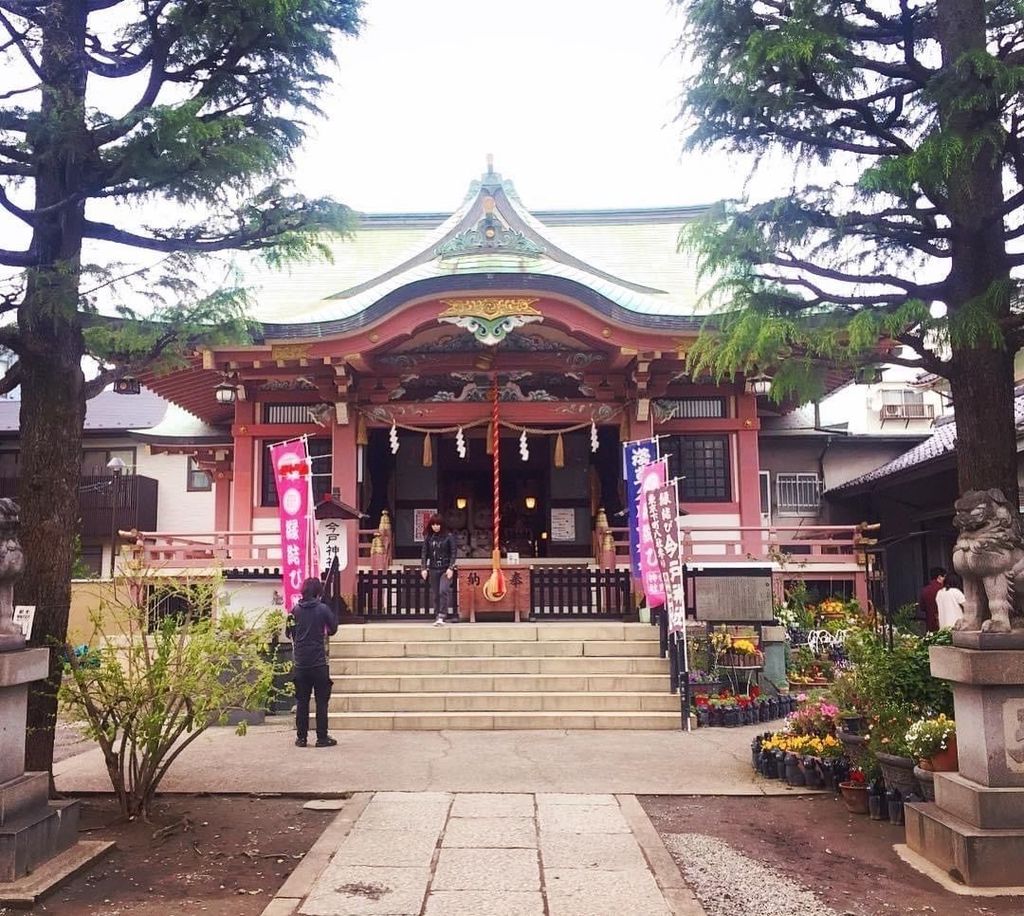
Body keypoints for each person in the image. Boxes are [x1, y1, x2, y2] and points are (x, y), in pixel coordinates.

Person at [290, 577, 338, 748]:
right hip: (318, 662)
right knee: (321, 701)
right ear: (318, 591)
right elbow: (333, 628)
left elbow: (289, 632)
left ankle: (301, 738)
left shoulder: (295, 610)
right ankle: (322, 737)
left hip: (301, 662)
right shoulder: (323, 609)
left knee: (302, 701)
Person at [421, 513, 457, 626]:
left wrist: (451, 567)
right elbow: (424, 553)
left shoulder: (448, 537)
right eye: (433, 525)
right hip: (433, 568)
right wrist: (423, 568)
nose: (435, 527)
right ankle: (437, 615)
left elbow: (453, 552)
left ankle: (442, 614)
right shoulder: (429, 538)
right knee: (436, 594)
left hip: (445, 568)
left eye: (437, 524)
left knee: (443, 590)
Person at [918, 566, 946, 632]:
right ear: (939, 577)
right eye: (944, 577)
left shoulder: (925, 590)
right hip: (944, 621)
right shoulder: (943, 589)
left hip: (930, 622)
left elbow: (922, 607)